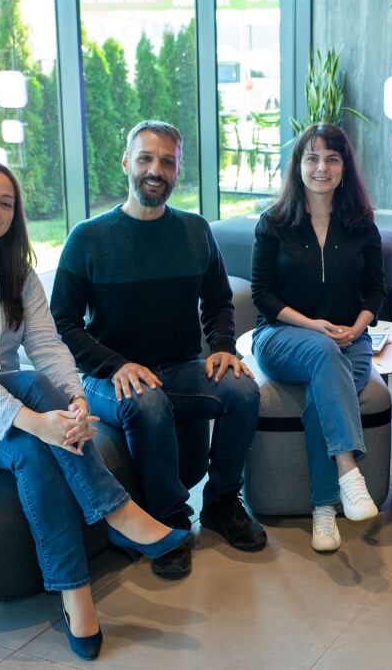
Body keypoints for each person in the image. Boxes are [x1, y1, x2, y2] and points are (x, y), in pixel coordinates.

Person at [0, 161, 189, 661]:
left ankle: (75, 596)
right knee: (28, 392)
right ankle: (118, 511)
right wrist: (37, 420)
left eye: (5, 203)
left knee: (33, 450)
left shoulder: (17, 274)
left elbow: (46, 345)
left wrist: (75, 402)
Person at [50, 120, 265, 580]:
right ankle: (169, 522)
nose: (156, 170)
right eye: (146, 158)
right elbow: (62, 322)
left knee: (244, 390)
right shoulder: (88, 238)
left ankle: (222, 503)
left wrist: (223, 347)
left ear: (177, 170)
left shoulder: (194, 230)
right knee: (146, 401)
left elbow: (219, 301)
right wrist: (115, 364)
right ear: (126, 162)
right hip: (107, 377)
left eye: (167, 161)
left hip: (180, 367)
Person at [249, 123, 386, 552]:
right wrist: (313, 326)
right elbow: (262, 294)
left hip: (350, 339)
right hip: (281, 336)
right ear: (298, 166)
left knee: (320, 396)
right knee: (324, 353)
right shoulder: (274, 222)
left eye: (332, 158)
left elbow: (376, 291)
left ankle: (324, 510)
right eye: (312, 158)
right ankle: (348, 471)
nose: (321, 167)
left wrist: (358, 327)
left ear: (345, 168)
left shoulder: (362, 224)